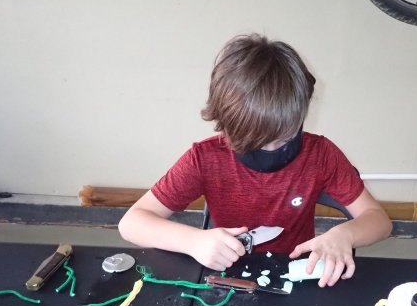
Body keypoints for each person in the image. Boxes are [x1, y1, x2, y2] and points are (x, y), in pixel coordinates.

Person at [118, 34, 392, 287]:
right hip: (229, 274)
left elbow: (379, 220)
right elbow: (131, 223)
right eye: (255, 142)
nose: (271, 150)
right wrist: (192, 241)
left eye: (284, 139)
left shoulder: (321, 155)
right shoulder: (205, 158)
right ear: (225, 126)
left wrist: (346, 234)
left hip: (295, 273)